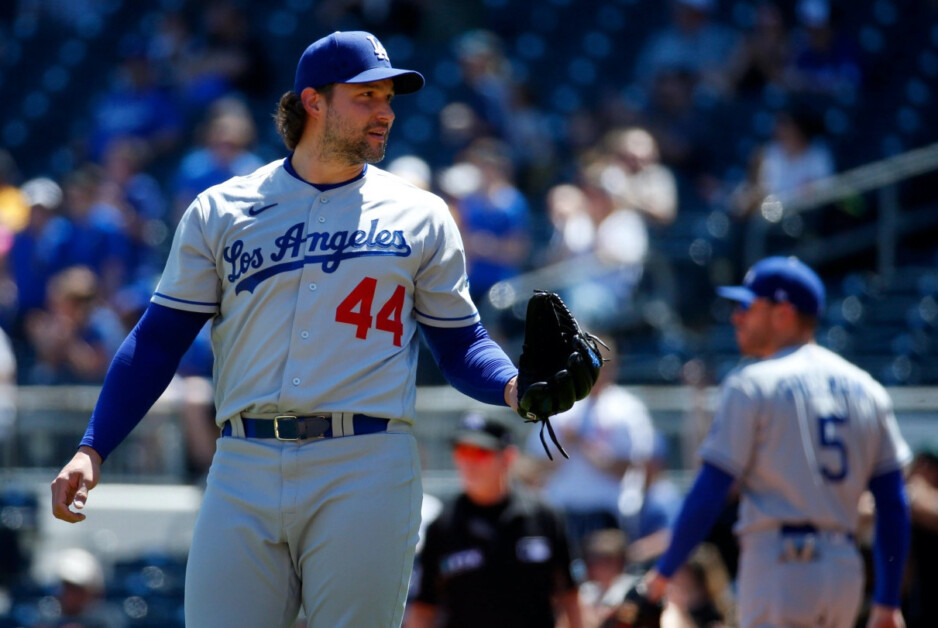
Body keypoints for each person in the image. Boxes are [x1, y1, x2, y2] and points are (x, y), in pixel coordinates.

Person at [50, 30, 543, 628]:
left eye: (389, 97)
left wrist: (516, 386)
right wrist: (93, 446)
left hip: (364, 461)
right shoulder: (221, 209)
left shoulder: (422, 214)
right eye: (366, 96)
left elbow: (461, 342)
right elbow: (158, 340)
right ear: (314, 101)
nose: (386, 110)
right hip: (243, 459)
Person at [639, 256, 912, 628]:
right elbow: (893, 502)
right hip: (844, 569)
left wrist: (663, 573)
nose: (737, 317)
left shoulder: (753, 383)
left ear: (783, 313)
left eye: (748, 307)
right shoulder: (868, 388)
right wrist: (887, 600)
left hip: (780, 567)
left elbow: (710, 489)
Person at [405, 414, 582, 628]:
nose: (469, 462)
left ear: (508, 457)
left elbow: (570, 595)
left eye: (480, 452)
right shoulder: (442, 526)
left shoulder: (544, 516)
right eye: (462, 452)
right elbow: (424, 607)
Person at [523, 336, 655, 558]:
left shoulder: (627, 409)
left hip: (604, 515)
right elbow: (533, 468)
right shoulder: (558, 403)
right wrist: (564, 445)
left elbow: (629, 468)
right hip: (561, 512)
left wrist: (583, 444)